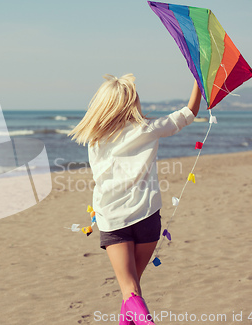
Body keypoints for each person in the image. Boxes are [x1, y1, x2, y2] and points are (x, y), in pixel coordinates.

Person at [69, 74, 201, 325]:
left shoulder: (94, 138)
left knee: (129, 289)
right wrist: (198, 80)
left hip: (114, 219)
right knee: (132, 289)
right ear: (131, 104)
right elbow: (190, 112)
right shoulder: (147, 129)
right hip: (147, 218)